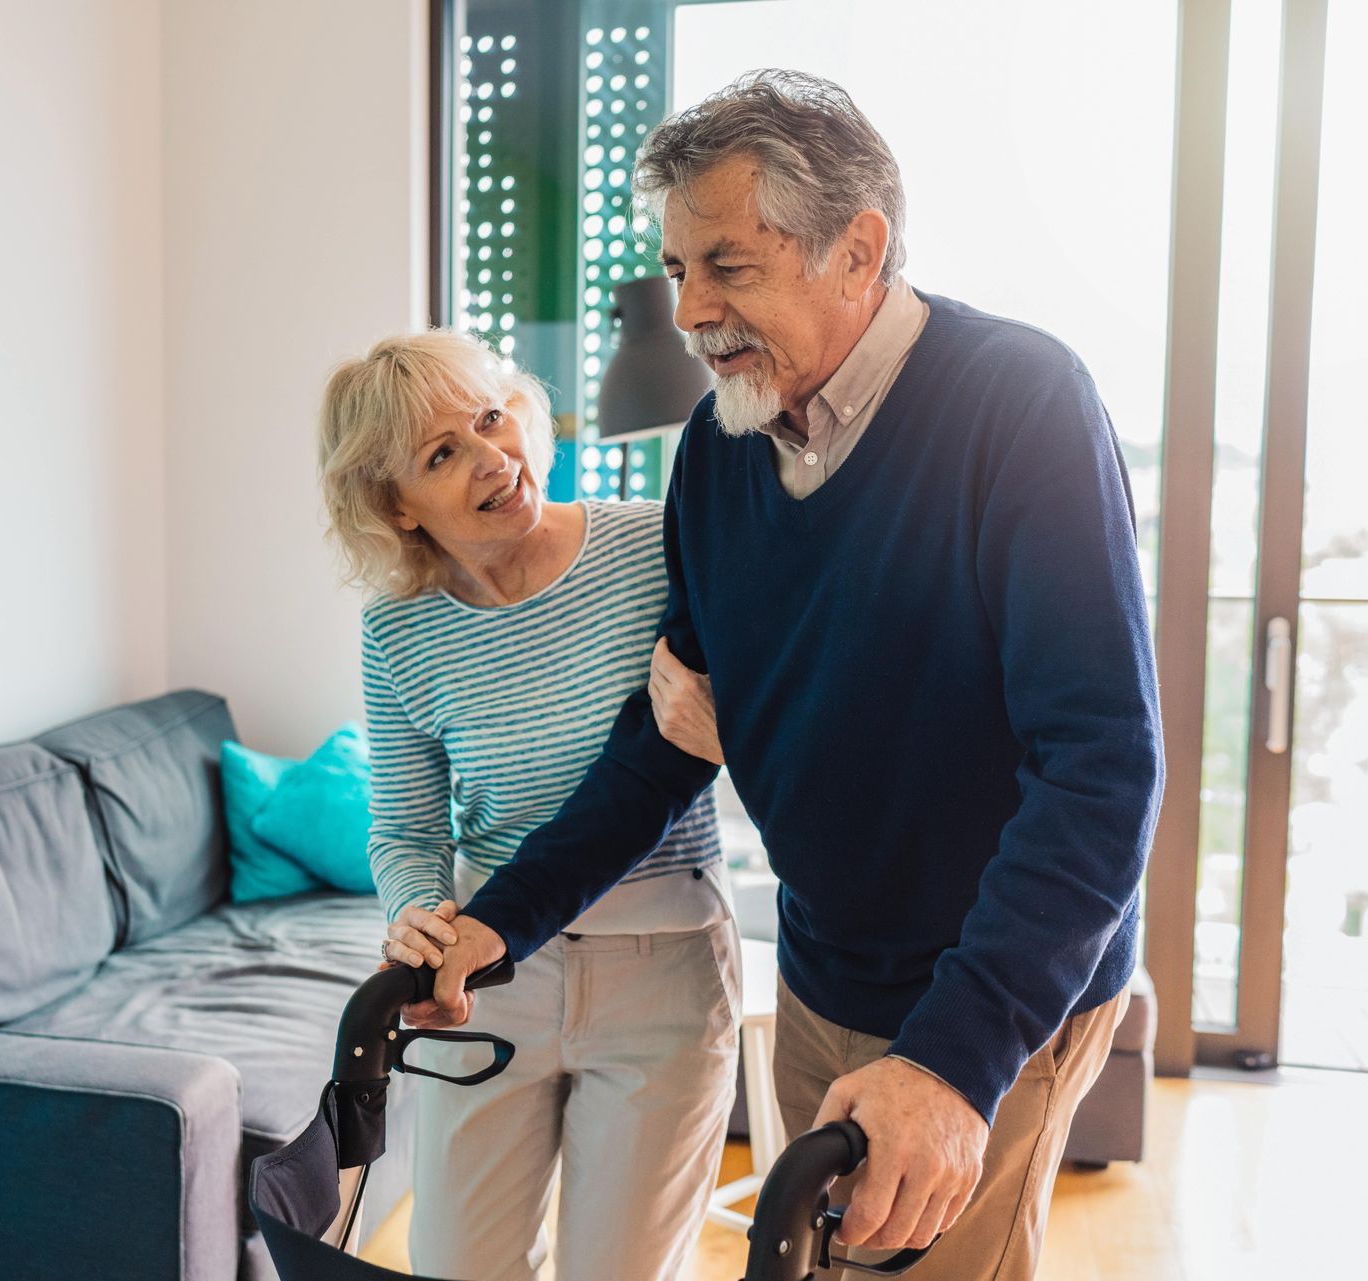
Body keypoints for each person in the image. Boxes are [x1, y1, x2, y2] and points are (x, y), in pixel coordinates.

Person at [422, 69, 1165, 1281]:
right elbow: (668, 739)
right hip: (824, 966)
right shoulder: (718, 450)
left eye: (729, 265)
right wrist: (496, 925)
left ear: (858, 250)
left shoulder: (1017, 402)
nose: (690, 310)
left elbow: (1103, 767)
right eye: (675, 271)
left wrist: (952, 1061)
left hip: (992, 985)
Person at [316, 329, 739, 1281]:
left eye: (489, 418)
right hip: (493, 979)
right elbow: (406, 824)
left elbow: (708, 737)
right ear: (396, 505)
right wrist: (417, 914)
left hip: (664, 968)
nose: (490, 459)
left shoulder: (650, 547)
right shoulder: (399, 632)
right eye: (441, 454)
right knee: (459, 1264)